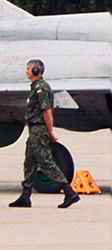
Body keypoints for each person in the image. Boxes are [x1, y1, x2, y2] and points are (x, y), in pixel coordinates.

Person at [9, 59, 80, 209]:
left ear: (36, 70)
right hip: (34, 129)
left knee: (46, 162)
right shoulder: (35, 87)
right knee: (29, 163)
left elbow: (47, 111)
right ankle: (25, 196)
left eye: (28, 68)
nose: (26, 71)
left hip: (39, 129)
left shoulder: (42, 88)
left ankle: (69, 192)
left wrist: (50, 132)